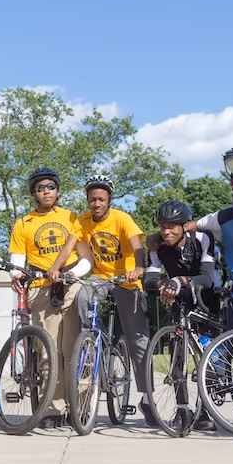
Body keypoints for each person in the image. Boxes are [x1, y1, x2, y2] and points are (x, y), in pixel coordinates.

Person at [47, 174, 155, 426]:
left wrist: (138, 268)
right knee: (83, 293)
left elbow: (137, 246)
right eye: (92, 199)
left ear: (109, 200)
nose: (96, 204)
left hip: (126, 280)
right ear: (87, 200)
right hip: (101, 279)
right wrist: (55, 268)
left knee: (138, 340)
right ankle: (90, 336)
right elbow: (68, 247)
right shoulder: (82, 221)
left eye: (101, 199)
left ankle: (148, 397)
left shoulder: (122, 218)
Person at [8, 167, 94, 429]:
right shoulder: (24, 223)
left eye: (50, 186)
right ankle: (53, 409)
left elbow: (86, 259)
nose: (46, 191)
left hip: (70, 286)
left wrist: (70, 274)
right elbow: (17, 261)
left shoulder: (71, 217)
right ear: (34, 193)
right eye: (40, 188)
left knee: (75, 350)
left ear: (57, 190)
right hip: (42, 289)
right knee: (48, 352)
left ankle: (79, 406)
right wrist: (16, 274)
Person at [144, 200, 218, 432]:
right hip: (177, 298)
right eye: (163, 226)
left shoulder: (202, 239)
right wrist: (164, 287)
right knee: (178, 356)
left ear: (185, 226)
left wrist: (177, 281)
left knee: (208, 357)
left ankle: (205, 411)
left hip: (207, 297)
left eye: (173, 227)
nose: (166, 232)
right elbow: (149, 282)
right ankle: (183, 409)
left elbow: (206, 278)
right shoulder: (157, 246)